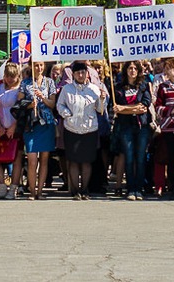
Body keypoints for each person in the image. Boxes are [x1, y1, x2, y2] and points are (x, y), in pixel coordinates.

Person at [56, 61, 107, 200]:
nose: (80, 75)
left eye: (83, 72)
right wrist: (67, 114)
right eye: (77, 72)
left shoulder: (95, 89)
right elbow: (60, 105)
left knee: (86, 161)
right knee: (73, 161)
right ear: (73, 74)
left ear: (87, 73)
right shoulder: (67, 89)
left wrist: (102, 99)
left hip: (89, 129)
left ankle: (85, 189)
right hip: (71, 129)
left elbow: (100, 109)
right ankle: (75, 190)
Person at [17, 60, 57, 201]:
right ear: (31, 66)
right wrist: (30, 105)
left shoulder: (49, 82)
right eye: (36, 65)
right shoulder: (25, 83)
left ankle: (40, 191)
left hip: (46, 123)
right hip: (31, 124)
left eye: (41, 65)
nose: (39, 68)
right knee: (32, 160)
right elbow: (19, 102)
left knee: (44, 159)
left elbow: (52, 104)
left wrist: (42, 98)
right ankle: (32, 191)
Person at [113, 60, 152, 201]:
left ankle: (139, 189)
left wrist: (124, 109)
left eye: (135, 68)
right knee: (129, 158)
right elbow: (116, 108)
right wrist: (131, 109)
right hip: (126, 126)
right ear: (126, 70)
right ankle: (130, 189)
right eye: (130, 68)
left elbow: (144, 107)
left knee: (140, 158)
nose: (133, 71)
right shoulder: (118, 87)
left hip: (142, 126)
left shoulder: (144, 85)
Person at [0, 62, 23, 200]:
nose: (10, 79)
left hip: (16, 129)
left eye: (13, 76)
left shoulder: (20, 89)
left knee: (17, 158)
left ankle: (13, 188)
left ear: (18, 76)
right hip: (0, 128)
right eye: (7, 76)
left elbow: (21, 109)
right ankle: (1, 187)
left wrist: (13, 127)